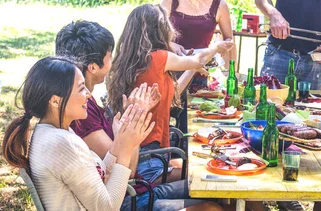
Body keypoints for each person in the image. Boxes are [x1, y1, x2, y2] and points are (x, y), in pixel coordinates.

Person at [2, 57, 212, 211]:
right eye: (82, 89)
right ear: (55, 101)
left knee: (210, 196)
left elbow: (98, 174)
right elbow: (108, 207)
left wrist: (120, 142)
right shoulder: (61, 142)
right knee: (212, 209)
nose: (88, 95)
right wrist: (126, 149)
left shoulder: (50, 132)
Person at [56, 20, 220, 211]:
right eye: (110, 56)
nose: (113, 60)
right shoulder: (81, 113)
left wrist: (130, 119)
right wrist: (133, 118)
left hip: (139, 190)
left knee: (213, 187)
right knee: (211, 207)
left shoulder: (86, 102)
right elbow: (128, 172)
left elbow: (125, 166)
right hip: (130, 200)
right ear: (93, 67)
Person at [106, 4, 234, 184]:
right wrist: (215, 47)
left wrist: (192, 68)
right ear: (160, 28)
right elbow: (198, 58)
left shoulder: (132, 60)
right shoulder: (158, 57)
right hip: (150, 160)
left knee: (204, 166)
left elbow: (172, 96)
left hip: (142, 154)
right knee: (212, 175)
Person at [161, 0, 235, 134]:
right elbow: (152, 36)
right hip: (168, 73)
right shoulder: (170, 1)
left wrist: (231, 76)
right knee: (167, 126)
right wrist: (171, 44)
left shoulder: (220, 5)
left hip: (198, 77)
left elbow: (229, 41)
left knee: (194, 128)